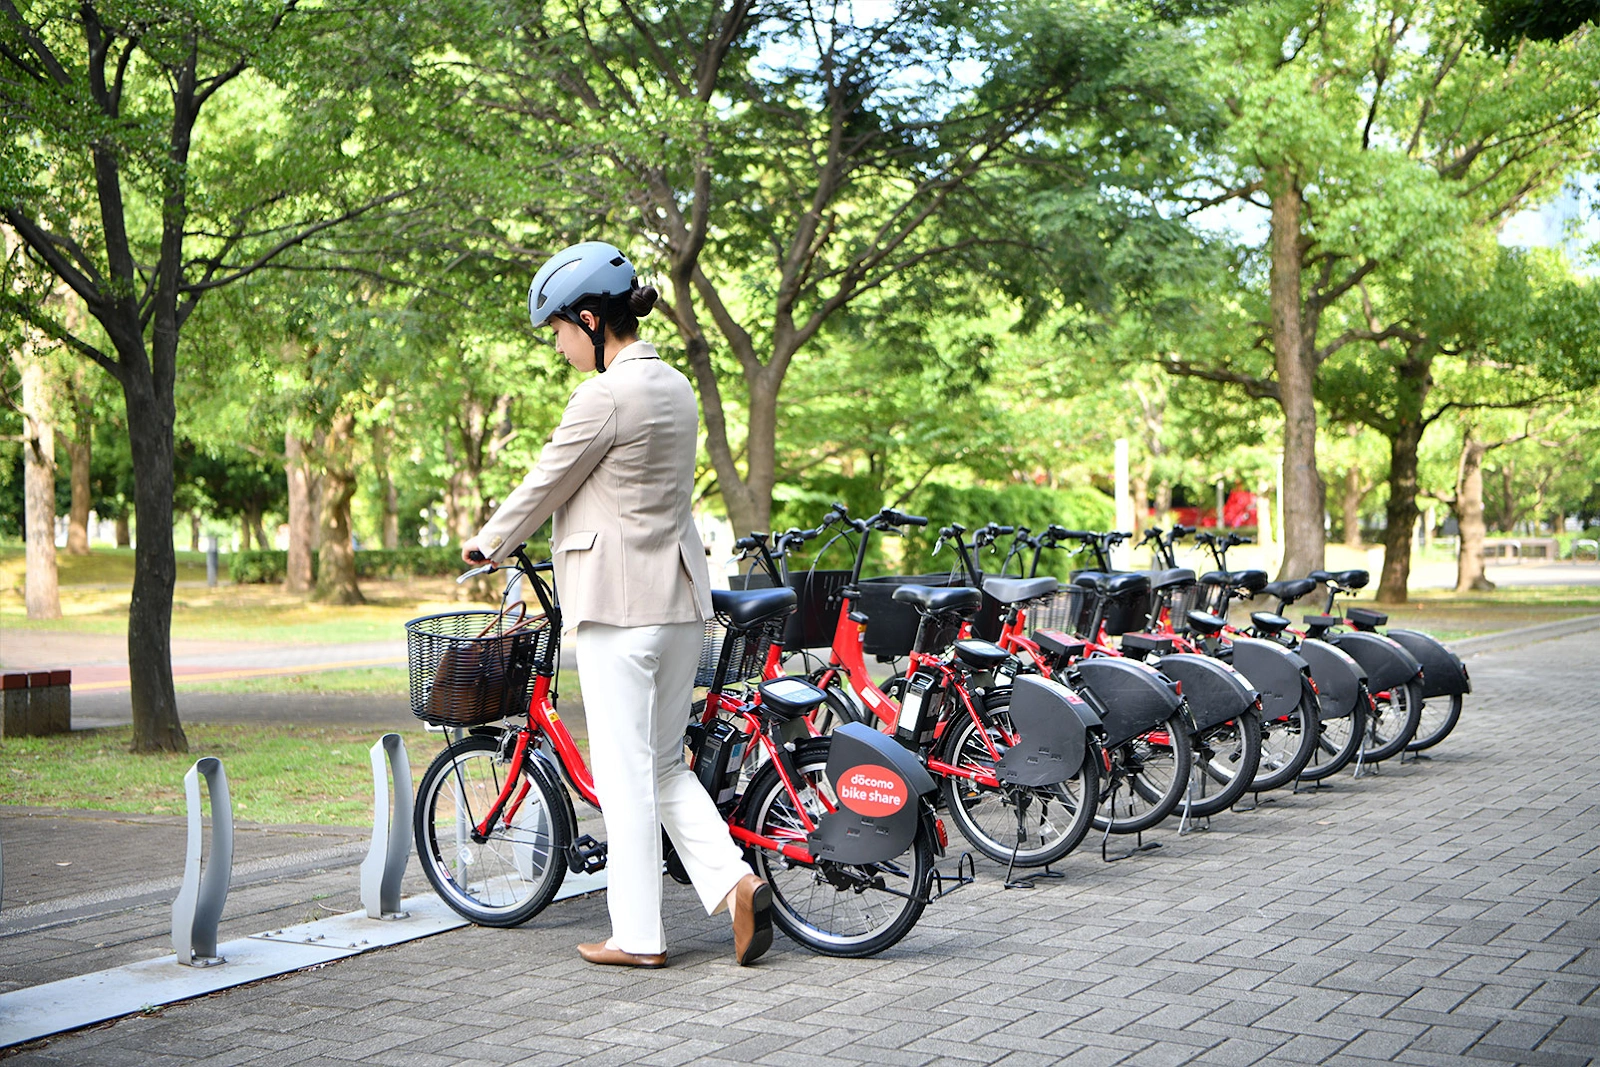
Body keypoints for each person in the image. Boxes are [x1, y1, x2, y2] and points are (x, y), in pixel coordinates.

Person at [460, 241, 771, 968]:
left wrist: (490, 543)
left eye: (561, 331)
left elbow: (547, 479)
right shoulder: (676, 387)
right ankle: (736, 883)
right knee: (664, 765)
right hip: (678, 605)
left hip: (617, 613)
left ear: (592, 319)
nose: (560, 345)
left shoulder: (604, 395)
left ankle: (638, 935)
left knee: (626, 779)